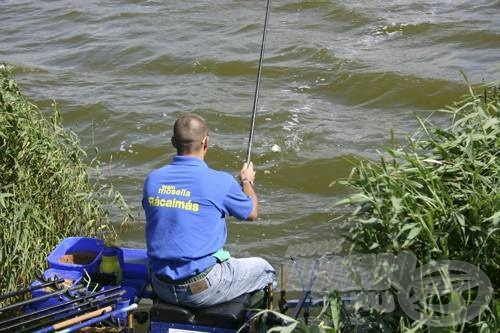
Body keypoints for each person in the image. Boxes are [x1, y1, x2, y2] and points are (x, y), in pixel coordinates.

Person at [143, 113, 275, 308]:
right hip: (202, 288)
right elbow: (252, 212)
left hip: (160, 283)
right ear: (206, 142)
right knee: (266, 270)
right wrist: (246, 181)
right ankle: (257, 324)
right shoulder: (220, 181)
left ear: (173, 142)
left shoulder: (152, 180)